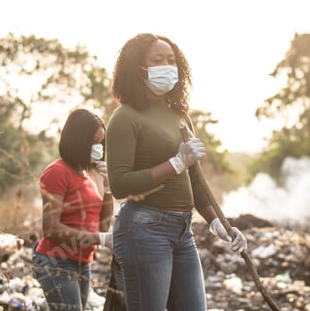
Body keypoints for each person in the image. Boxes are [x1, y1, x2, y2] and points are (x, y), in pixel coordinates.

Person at [105, 33, 247, 311]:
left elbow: (195, 181)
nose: (166, 66)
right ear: (138, 69)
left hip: (183, 231)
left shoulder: (180, 115)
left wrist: (218, 223)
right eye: (157, 60)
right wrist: (176, 163)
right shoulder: (125, 117)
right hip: (144, 230)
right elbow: (120, 185)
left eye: (171, 60)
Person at [32, 108, 114, 311]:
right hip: (56, 261)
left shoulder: (87, 174)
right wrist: (100, 239)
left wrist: (108, 187)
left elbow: (103, 224)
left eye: (100, 143)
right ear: (79, 140)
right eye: (93, 142)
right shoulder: (57, 172)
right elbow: (51, 229)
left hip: (81, 261)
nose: (98, 148)